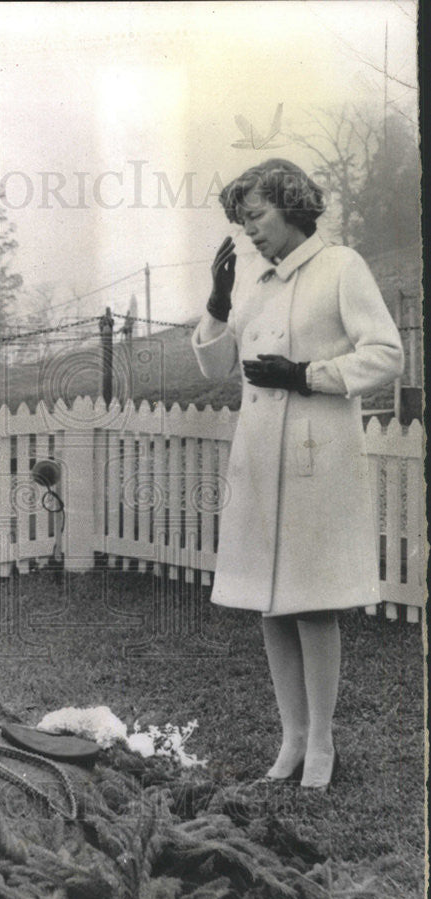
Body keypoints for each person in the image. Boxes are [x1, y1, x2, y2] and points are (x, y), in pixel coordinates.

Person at [192, 159, 404, 790]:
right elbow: (213, 369)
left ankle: (323, 744)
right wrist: (217, 302)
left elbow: (386, 354)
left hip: (318, 457)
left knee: (312, 606)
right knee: (269, 603)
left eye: (255, 216)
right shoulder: (253, 279)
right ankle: (291, 738)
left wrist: (308, 374)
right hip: (260, 458)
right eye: (241, 221)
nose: (249, 231)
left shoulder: (341, 267)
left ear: (291, 207)